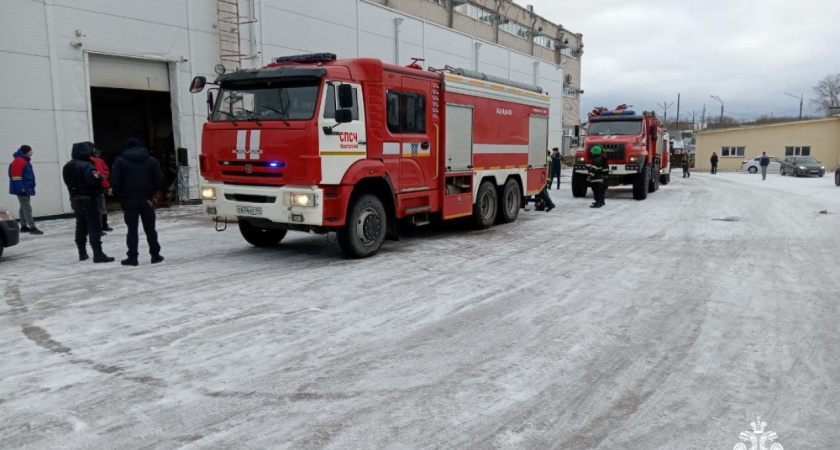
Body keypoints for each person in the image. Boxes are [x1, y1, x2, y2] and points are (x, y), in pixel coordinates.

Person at [110, 137, 165, 266]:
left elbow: (115, 181)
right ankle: (155, 255)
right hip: (147, 199)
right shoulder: (151, 161)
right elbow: (159, 178)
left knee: (132, 229)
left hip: (129, 199)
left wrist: (120, 194)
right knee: (150, 228)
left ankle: (132, 257)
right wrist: (153, 191)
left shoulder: (120, 161)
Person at [62, 142, 115, 263]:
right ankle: (98, 254)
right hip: (89, 199)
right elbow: (94, 181)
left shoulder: (67, 166)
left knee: (80, 225)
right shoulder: (88, 166)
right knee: (94, 226)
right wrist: (101, 178)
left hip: (75, 199)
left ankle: (82, 253)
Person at [8, 145, 43, 234]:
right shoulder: (19, 161)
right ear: (26, 151)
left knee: (23, 207)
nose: (32, 152)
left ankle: (23, 226)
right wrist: (21, 188)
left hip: (25, 188)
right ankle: (32, 227)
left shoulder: (24, 161)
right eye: (31, 150)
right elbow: (15, 177)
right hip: (22, 189)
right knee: (27, 208)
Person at [87, 142, 114, 234]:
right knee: (100, 208)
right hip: (97, 188)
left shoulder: (98, 161)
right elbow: (102, 174)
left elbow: (105, 171)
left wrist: (105, 178)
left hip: (87, 189)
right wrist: (107, 185)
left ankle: (102, 226)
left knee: (97, 208)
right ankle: (100, 227)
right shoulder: (95, 161)